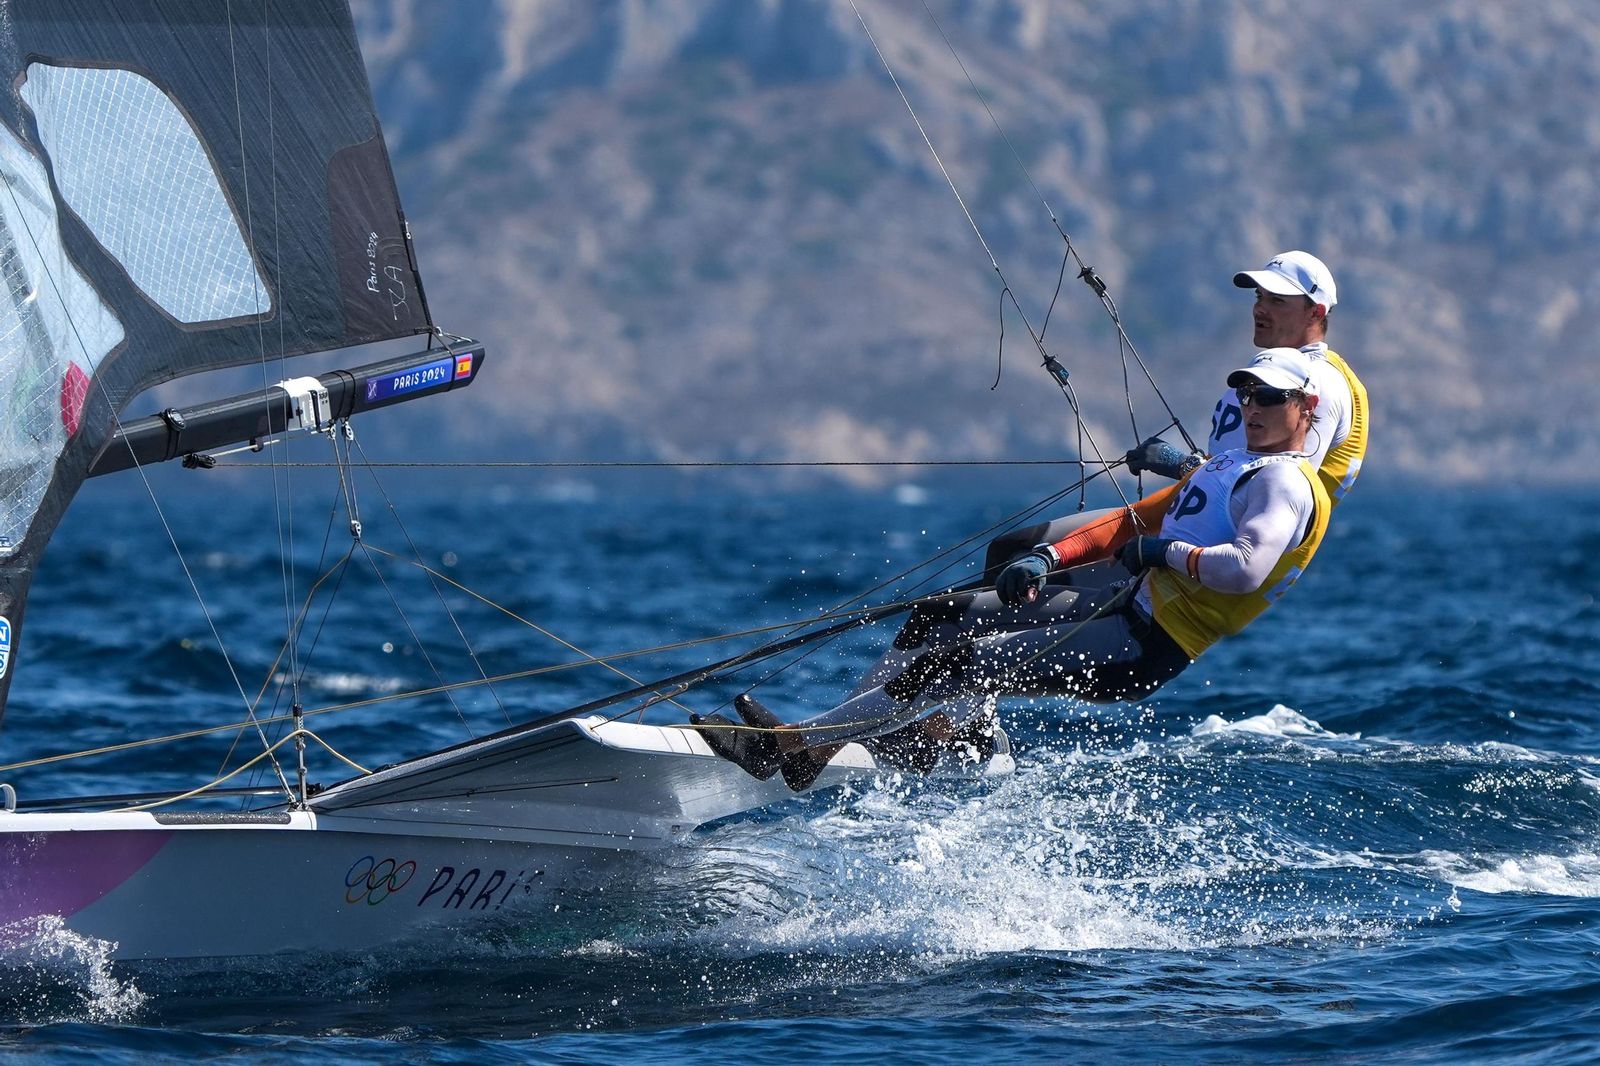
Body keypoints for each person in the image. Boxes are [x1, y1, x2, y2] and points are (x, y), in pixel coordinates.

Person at [694, 348, 1332, 792]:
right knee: (939, 617)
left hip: (1143, 643)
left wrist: (1162, 554)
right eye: (1247, 393)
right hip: (1113, 608)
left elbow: (1245, 570)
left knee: (946, 667)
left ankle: (801, 746)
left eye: (1270, 398)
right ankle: (848, 742)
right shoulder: (1231, 463)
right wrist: (1047, 559)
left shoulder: (1285, 485)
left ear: (1305, 406)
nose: (1252, 407)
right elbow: (1127, 524)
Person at [1127, 249, 1368, 506]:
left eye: (1276, 300)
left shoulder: (1318, 380)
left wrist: (1182, 465)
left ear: (1316, 312)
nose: (1259, 309)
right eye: (1259, 297)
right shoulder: (1272, 370)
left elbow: (1276, 494)